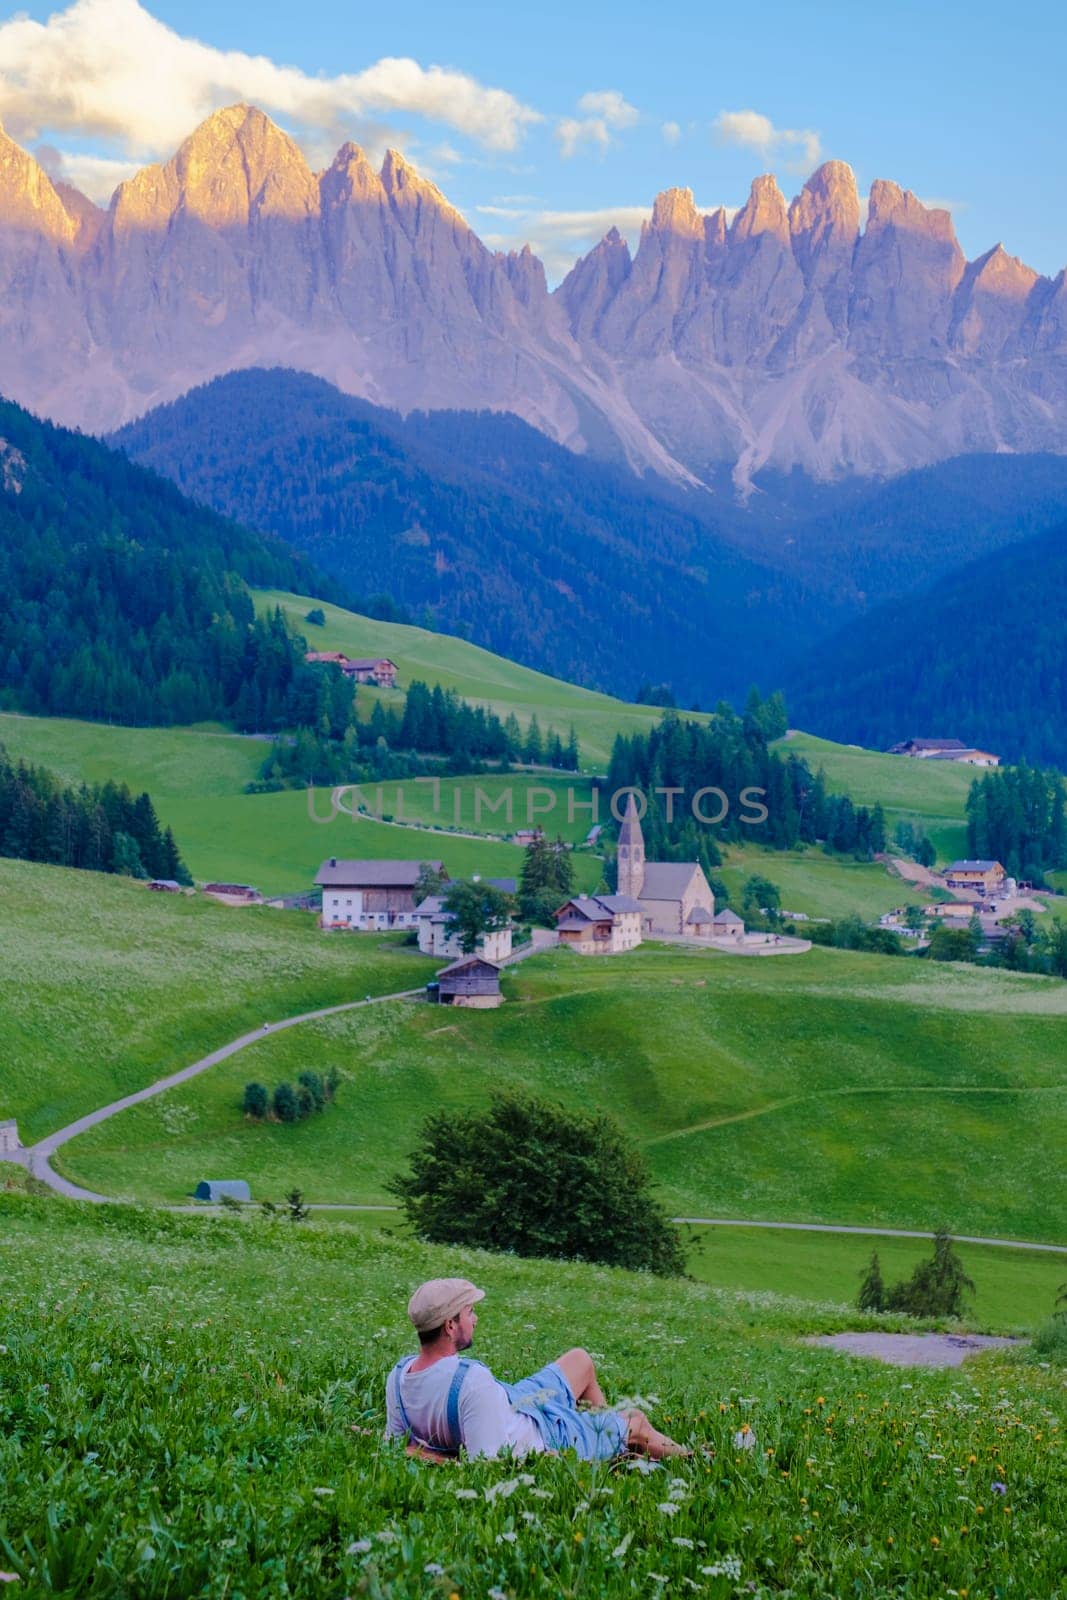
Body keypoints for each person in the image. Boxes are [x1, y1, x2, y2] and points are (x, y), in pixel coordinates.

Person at [385, 1277, 690, 1462]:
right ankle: (694, 1461)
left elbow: (398, 1445)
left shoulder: (400, 1376)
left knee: (580, 1360)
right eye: (470, 1313)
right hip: (540, 1435)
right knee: (636, 1421)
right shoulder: (471, 1381)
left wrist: (420, 1450)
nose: (475, 1320)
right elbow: (486, 1465)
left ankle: (611, 1447)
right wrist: (438, 1455)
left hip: (513, 1401)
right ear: (450, 1326)